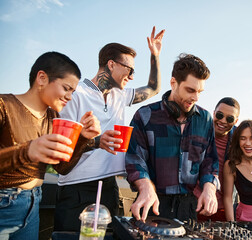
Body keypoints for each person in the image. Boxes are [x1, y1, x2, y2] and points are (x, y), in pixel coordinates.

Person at [54, 26, 165, 232]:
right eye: (129, 70)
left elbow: (153, 88)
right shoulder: (77, 94)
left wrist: (155, 55)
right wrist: (95, 142)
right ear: (111, 64)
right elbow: (62, 157)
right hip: (77, 190)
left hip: (108, 188)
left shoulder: (120, 95)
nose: (131, 77)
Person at [0, 52, 101, 240]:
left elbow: (61, 168)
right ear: (42, 78)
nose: (70, 97)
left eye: (73, 92)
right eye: (66, 88)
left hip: (32, 205)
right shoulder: (3, 104)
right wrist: (27, 151)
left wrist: (82, 139)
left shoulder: (52, 118)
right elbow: (27, 152)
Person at [125, 53, 219, 222]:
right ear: (173, 83)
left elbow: (210, 162)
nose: (195, 98)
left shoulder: (204, 119)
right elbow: (134, 159)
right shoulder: (145, 116)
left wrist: (209, 188)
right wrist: (145, 186)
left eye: (199, 92)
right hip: (152, 204)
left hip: (188, 208)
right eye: (190, 90)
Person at [193, 97, 252, 222]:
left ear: (235, 121)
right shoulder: (199, 132)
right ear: (214, 113)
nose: (223, 121)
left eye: (229, 119)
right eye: (220, 115)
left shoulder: (238, 138)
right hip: (196, 203)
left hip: (221, 207)